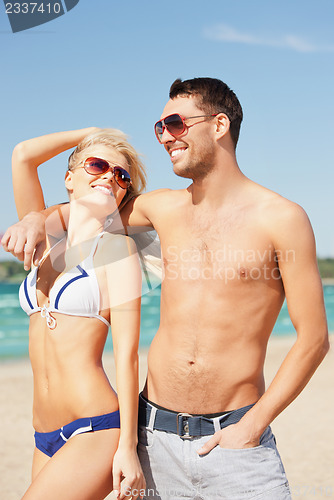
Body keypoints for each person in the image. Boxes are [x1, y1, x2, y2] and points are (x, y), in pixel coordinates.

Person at [2, 78, 329, 500]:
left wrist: (251, 427)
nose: (165, 137)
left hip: (234, 444)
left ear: (219, 124)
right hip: (153, 439)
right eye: (160, 128)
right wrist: (35, 218)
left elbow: (315, 339)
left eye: (174, 124)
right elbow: (86, 205)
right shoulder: (160, 207)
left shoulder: (282, 218)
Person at [5, 128, 146, 500]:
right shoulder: (44, 243)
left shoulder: (118, 250)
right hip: (43, 436)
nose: (109, 177)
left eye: (121, 176)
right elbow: (23, 155)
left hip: (95, 428)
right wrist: (94, 133)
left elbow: (127, 357)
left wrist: (127, 448)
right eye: (97, 165)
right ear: (69, 179)